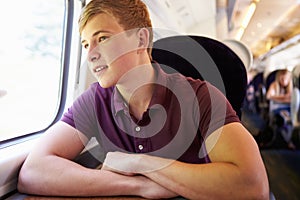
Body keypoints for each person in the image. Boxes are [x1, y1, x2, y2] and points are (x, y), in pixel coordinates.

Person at [18, 0, 269, 199]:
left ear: (141, 39)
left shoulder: (200, 96)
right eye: (86, 44)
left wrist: (140, 162)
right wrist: (137, 185)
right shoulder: (93, 100)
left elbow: (253, 185)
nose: (91, 54)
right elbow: (33, 171)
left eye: (102, 38)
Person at [266, 69, 295, 149]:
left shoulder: (292, 89)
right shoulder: (274, 85)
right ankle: (287, 140)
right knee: (284, 117)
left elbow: (291, 99)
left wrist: (276, 97)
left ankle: (288, 140)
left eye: (285, 79)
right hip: (276, 109)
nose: (283, 81)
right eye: (282, 79)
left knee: (290, 119)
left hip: (288, 110)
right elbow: (268, 96)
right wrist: (284, 98)